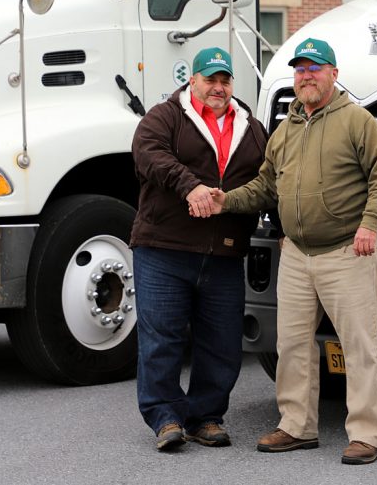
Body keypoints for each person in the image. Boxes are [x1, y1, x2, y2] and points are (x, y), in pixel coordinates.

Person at [204, 37, 377, 465]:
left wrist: (369, 225)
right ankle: (297, 426)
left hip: (348, 251)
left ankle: (366, 434)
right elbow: (265, 186)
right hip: (295, 254)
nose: (306, 76)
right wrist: (226, 200)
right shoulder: (286, 129)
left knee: (360, 346)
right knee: (291, 344)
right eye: (300, 69)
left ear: (334, 73)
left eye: (315, 68)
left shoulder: (357, 121)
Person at [129, 47, 269, 452]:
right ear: (192, 81)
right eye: (210, 79)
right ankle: (166, 417)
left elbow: (269, 179)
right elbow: (147, 154)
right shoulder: (165, 117)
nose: (218, 87)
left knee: (222, 342)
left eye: (225, 80)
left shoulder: (253, 129)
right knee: (162, 338)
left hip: (224, 253)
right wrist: (188, 185)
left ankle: (205, 417)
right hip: (164, 248)